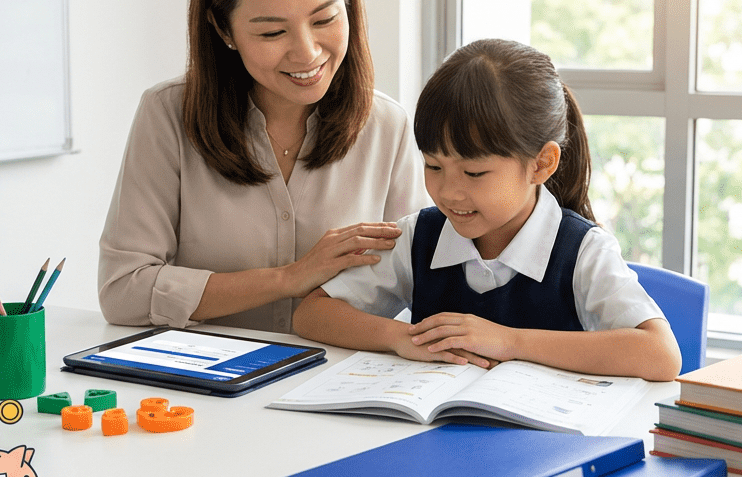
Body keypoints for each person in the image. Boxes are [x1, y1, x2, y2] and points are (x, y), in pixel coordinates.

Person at [98, 0, 428, 336]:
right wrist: (289, 278)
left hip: (337, 384)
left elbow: (414, 282)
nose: (307, 52)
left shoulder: (387, 125)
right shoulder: (167, 116)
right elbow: (123, 291)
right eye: (272, 31)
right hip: (205, 389)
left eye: (325, 18)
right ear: (223, 30)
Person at [293, 38, 683, 382]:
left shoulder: (582, 251)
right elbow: (311, 315)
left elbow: (661, 355)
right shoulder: (419, 237)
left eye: (474, 172)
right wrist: (403, 339)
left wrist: (511, 342)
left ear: (541, 164)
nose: (448, 192)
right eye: (433, 166)